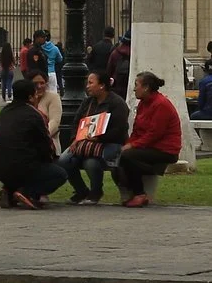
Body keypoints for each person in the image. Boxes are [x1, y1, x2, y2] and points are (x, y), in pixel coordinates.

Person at [0, 75, 68, 209]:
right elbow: (45, 143)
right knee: (59, 174)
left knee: (18, 166)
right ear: (31, 97)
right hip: (25, 166)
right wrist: (48, 159)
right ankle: (27, 193)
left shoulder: (4, 112)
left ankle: (9, 191)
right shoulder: (33, 114)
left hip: (0, 167)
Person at [114, 71, 180, 208]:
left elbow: (155, 134)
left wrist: (133, 146)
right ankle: (129, 192)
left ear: (146, 87)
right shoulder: (143, 104)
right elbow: (137, 130)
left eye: (136, 85)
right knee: (117, 157)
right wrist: (129, 143)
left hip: (165, 149)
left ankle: (140, 193)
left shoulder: (161, 104)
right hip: (150, 146)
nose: (134, 88)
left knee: (127, 157)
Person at [65, 70, 129, 203]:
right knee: (64, 160)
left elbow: (119, 130)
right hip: (84, 142)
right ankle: (81, 190)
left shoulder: (117, 104)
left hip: (108, 143)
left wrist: (99, 138)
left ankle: (96, 192)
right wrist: (74, 139)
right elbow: (77, 122)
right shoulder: (88, 102)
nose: (87, 86)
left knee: (91, 163)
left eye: (90, 83)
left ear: (102, 85)